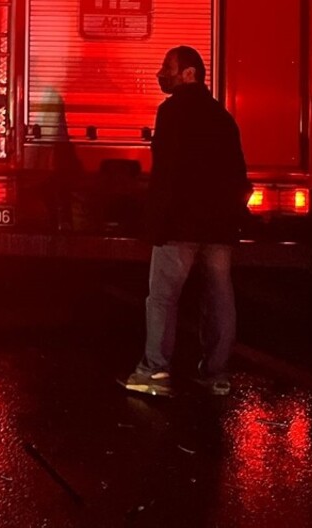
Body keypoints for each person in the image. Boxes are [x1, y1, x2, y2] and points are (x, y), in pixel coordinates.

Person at [123, 45, 250, 398]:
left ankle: (154, 372)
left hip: (179, 227)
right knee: (220, 298)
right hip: (219, 228)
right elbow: (239, 176)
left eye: (169, 68)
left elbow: (166, 174)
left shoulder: (172, 112)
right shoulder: (223, 117)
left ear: (189, 73)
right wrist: (235, 218)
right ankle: (216, 374)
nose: (163, 73)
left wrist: (152, 225)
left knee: (163, 298)